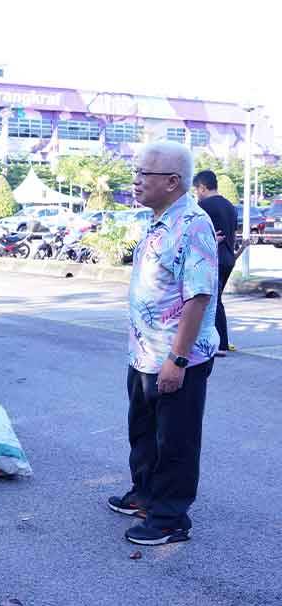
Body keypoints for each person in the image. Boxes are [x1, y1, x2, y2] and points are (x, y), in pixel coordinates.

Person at [108, 141, 219, 546]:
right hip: (144, 353)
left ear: (172, 182)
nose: (135, 181)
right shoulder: (159, 220)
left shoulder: (193, 223)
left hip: (177, 357)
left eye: (143, 175)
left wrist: (177, 358)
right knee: (144, 430)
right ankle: (146, 494)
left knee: (175, 440)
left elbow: (199, 295)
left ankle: (171, 517)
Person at [193, 170, 238, 356]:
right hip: (228, 257)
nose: (197, 193)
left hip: (213, 258)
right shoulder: (230, 206)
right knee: (216, 299)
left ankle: (220, 343)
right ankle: (220, 341)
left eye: (197, 190)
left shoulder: (203, 205)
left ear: (202, 187)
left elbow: (196, 230)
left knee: (212, 301)